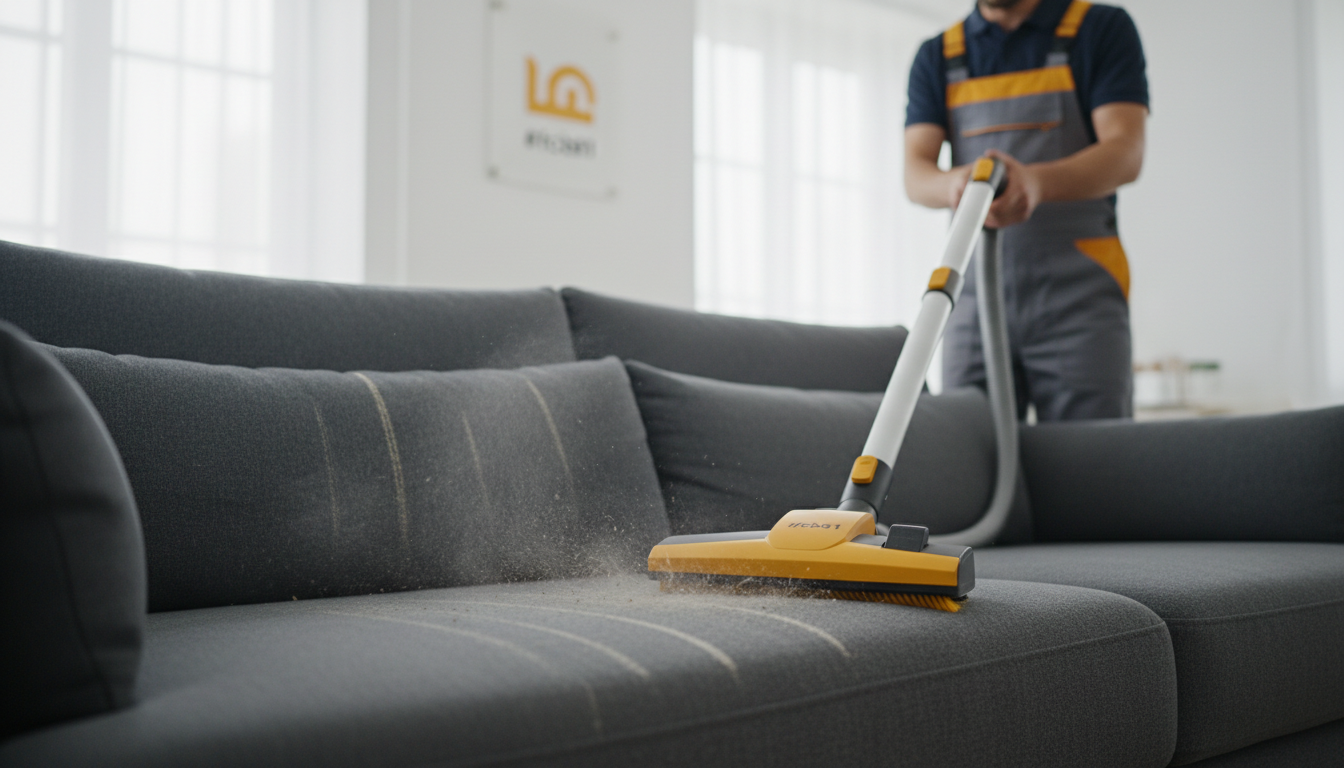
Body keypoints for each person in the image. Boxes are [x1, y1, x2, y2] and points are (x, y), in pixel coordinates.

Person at [904, 0, 1148, 420]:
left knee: (1092, 464)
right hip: (974, 295)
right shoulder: (938, 54)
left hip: (1080, 295)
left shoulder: (1100, 28)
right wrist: (956, 185)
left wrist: (1034, 183)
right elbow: (916, 173)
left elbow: (1125, 151)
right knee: (972, 454)